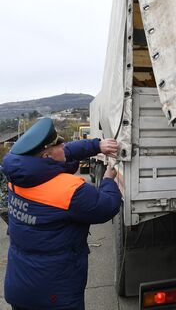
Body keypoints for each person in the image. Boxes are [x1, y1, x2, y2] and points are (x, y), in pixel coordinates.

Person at [2, 118, 122, 310]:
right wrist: (108, 180)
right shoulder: (69, 190)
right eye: (58, 143)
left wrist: (97, 145)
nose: (64, 145)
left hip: (20, 287)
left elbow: (65, 154)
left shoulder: (17, 180)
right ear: (47, 156)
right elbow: (106, 207)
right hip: (55, 295)